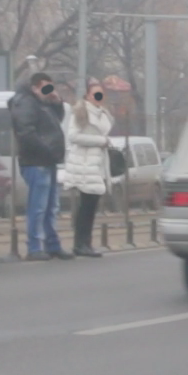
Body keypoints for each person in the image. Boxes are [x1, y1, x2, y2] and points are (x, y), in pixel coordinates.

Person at [10, 71, 69, 261]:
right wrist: (46, 150)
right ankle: (35, 247)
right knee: (39, 207)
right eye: (45, 87)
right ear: (35, 88)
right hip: (36, 161)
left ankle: (52, 245)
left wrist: (57, 101)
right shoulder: (26, 103)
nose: (48, 91)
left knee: (51, 206)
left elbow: (55, 121)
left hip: (48, 161)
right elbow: (26, 133)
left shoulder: (43, 104)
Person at [61, 79, 113, 258]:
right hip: (83, 164)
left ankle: (86, 242)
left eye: (101, 94)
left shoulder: (103, 114)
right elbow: (73, 136)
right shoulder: (81, 112)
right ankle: (80, 243)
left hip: (95, 164)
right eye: (95, 94)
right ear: (88, 96)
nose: (98, 97)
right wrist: (101, 141)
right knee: (86, 206)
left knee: (91, 206)